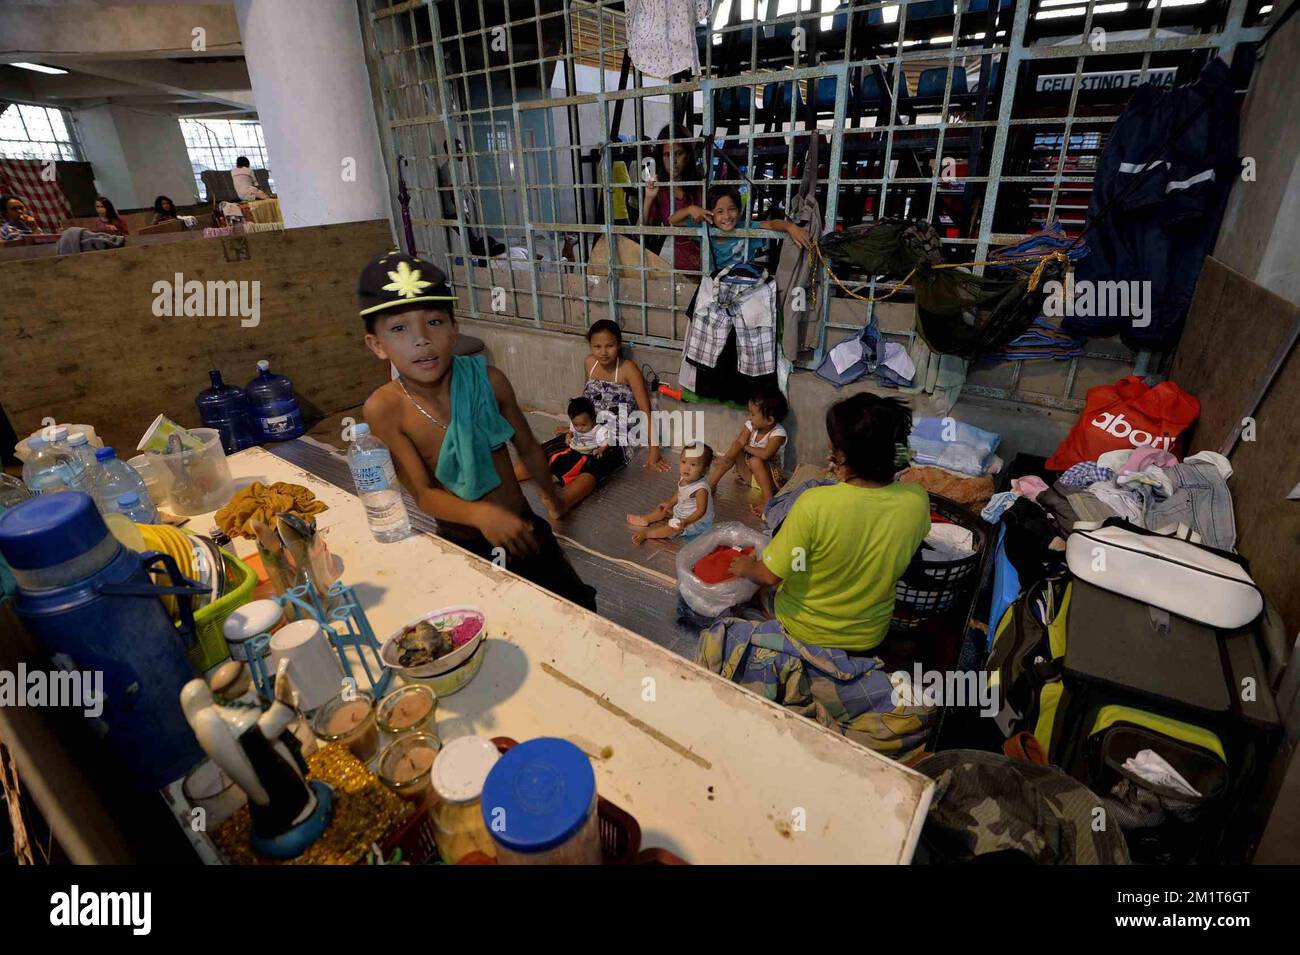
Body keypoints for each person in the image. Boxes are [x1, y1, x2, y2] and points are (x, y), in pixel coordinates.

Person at [357, 251, 597, 611]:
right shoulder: (385, 410)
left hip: (523, 529)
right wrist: (480, 515)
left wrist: (553, 496)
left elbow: (529, 447)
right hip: (464, 541)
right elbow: (422, 493)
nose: (421, 339)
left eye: (434, 322)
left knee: (574, 608)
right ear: (376, 345)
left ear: (455, 329)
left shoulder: (488, 381)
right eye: (399, 328)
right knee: (497, 624)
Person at [727, 393, 930, 652]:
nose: (829, 454)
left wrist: (747, 567)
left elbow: (769, 575)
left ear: (844, 457)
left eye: (834, 447)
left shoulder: (815, 503)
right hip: (870, 636)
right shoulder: (917, 500)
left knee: (754, 591)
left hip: (804, 630)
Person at [674, 185, 812, 273]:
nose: (727, 216)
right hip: (713, 287)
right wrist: (690, 209)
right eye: (720, 211)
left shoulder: (744, 227)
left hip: (744, 287)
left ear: (739, 211)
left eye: (732, 209)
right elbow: (673, 221)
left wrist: (790, 226)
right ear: (710, 213)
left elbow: (770, 224)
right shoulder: (705, 227)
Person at [709, 389, 789, 512]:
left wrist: (745, 447)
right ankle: (711, 485)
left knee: (756, 460)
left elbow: (766, 454)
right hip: (751, 475)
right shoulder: (752, 425)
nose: (749, 417)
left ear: (769, 420)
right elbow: (739, 442)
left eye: (752, 414)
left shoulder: (778, 433)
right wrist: (728, 457)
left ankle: (768, 502)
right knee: (735, 450)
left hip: (771, 480)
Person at [640, 123, 703, 272]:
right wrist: (648, 198)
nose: (673, 161)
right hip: (681, 266)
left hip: (709, 259)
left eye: (678, 153)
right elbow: (641, 229)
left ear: (688, 155)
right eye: (667, 155)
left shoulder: (700, 185)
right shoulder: (661, 189)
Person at [627, 443, 714, 546]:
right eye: (684, 462)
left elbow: (701, 511)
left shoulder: (700, 489)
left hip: (695, 522)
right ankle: (646, 519)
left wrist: (686, 522)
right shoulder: (686, 477)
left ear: (705, 470)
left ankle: (647, 534)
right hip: (682, 512)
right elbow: (680, 493)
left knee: (672, 528)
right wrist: (670, 503)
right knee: (663, 509)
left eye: (693, 465)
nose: (686, 468)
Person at [545, 396, 620, 489]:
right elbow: (571, 431)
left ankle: (561, 479)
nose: (579, 428)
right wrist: (568, 437)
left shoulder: (598, 430)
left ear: (593, 420)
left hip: (585, 454)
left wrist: (601, 449)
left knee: (574, 467)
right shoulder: (575, 425)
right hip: (573, 449)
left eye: (583, 425)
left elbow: (607, 441)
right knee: (557, 458)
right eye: (576, 425)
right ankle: (552, 472)